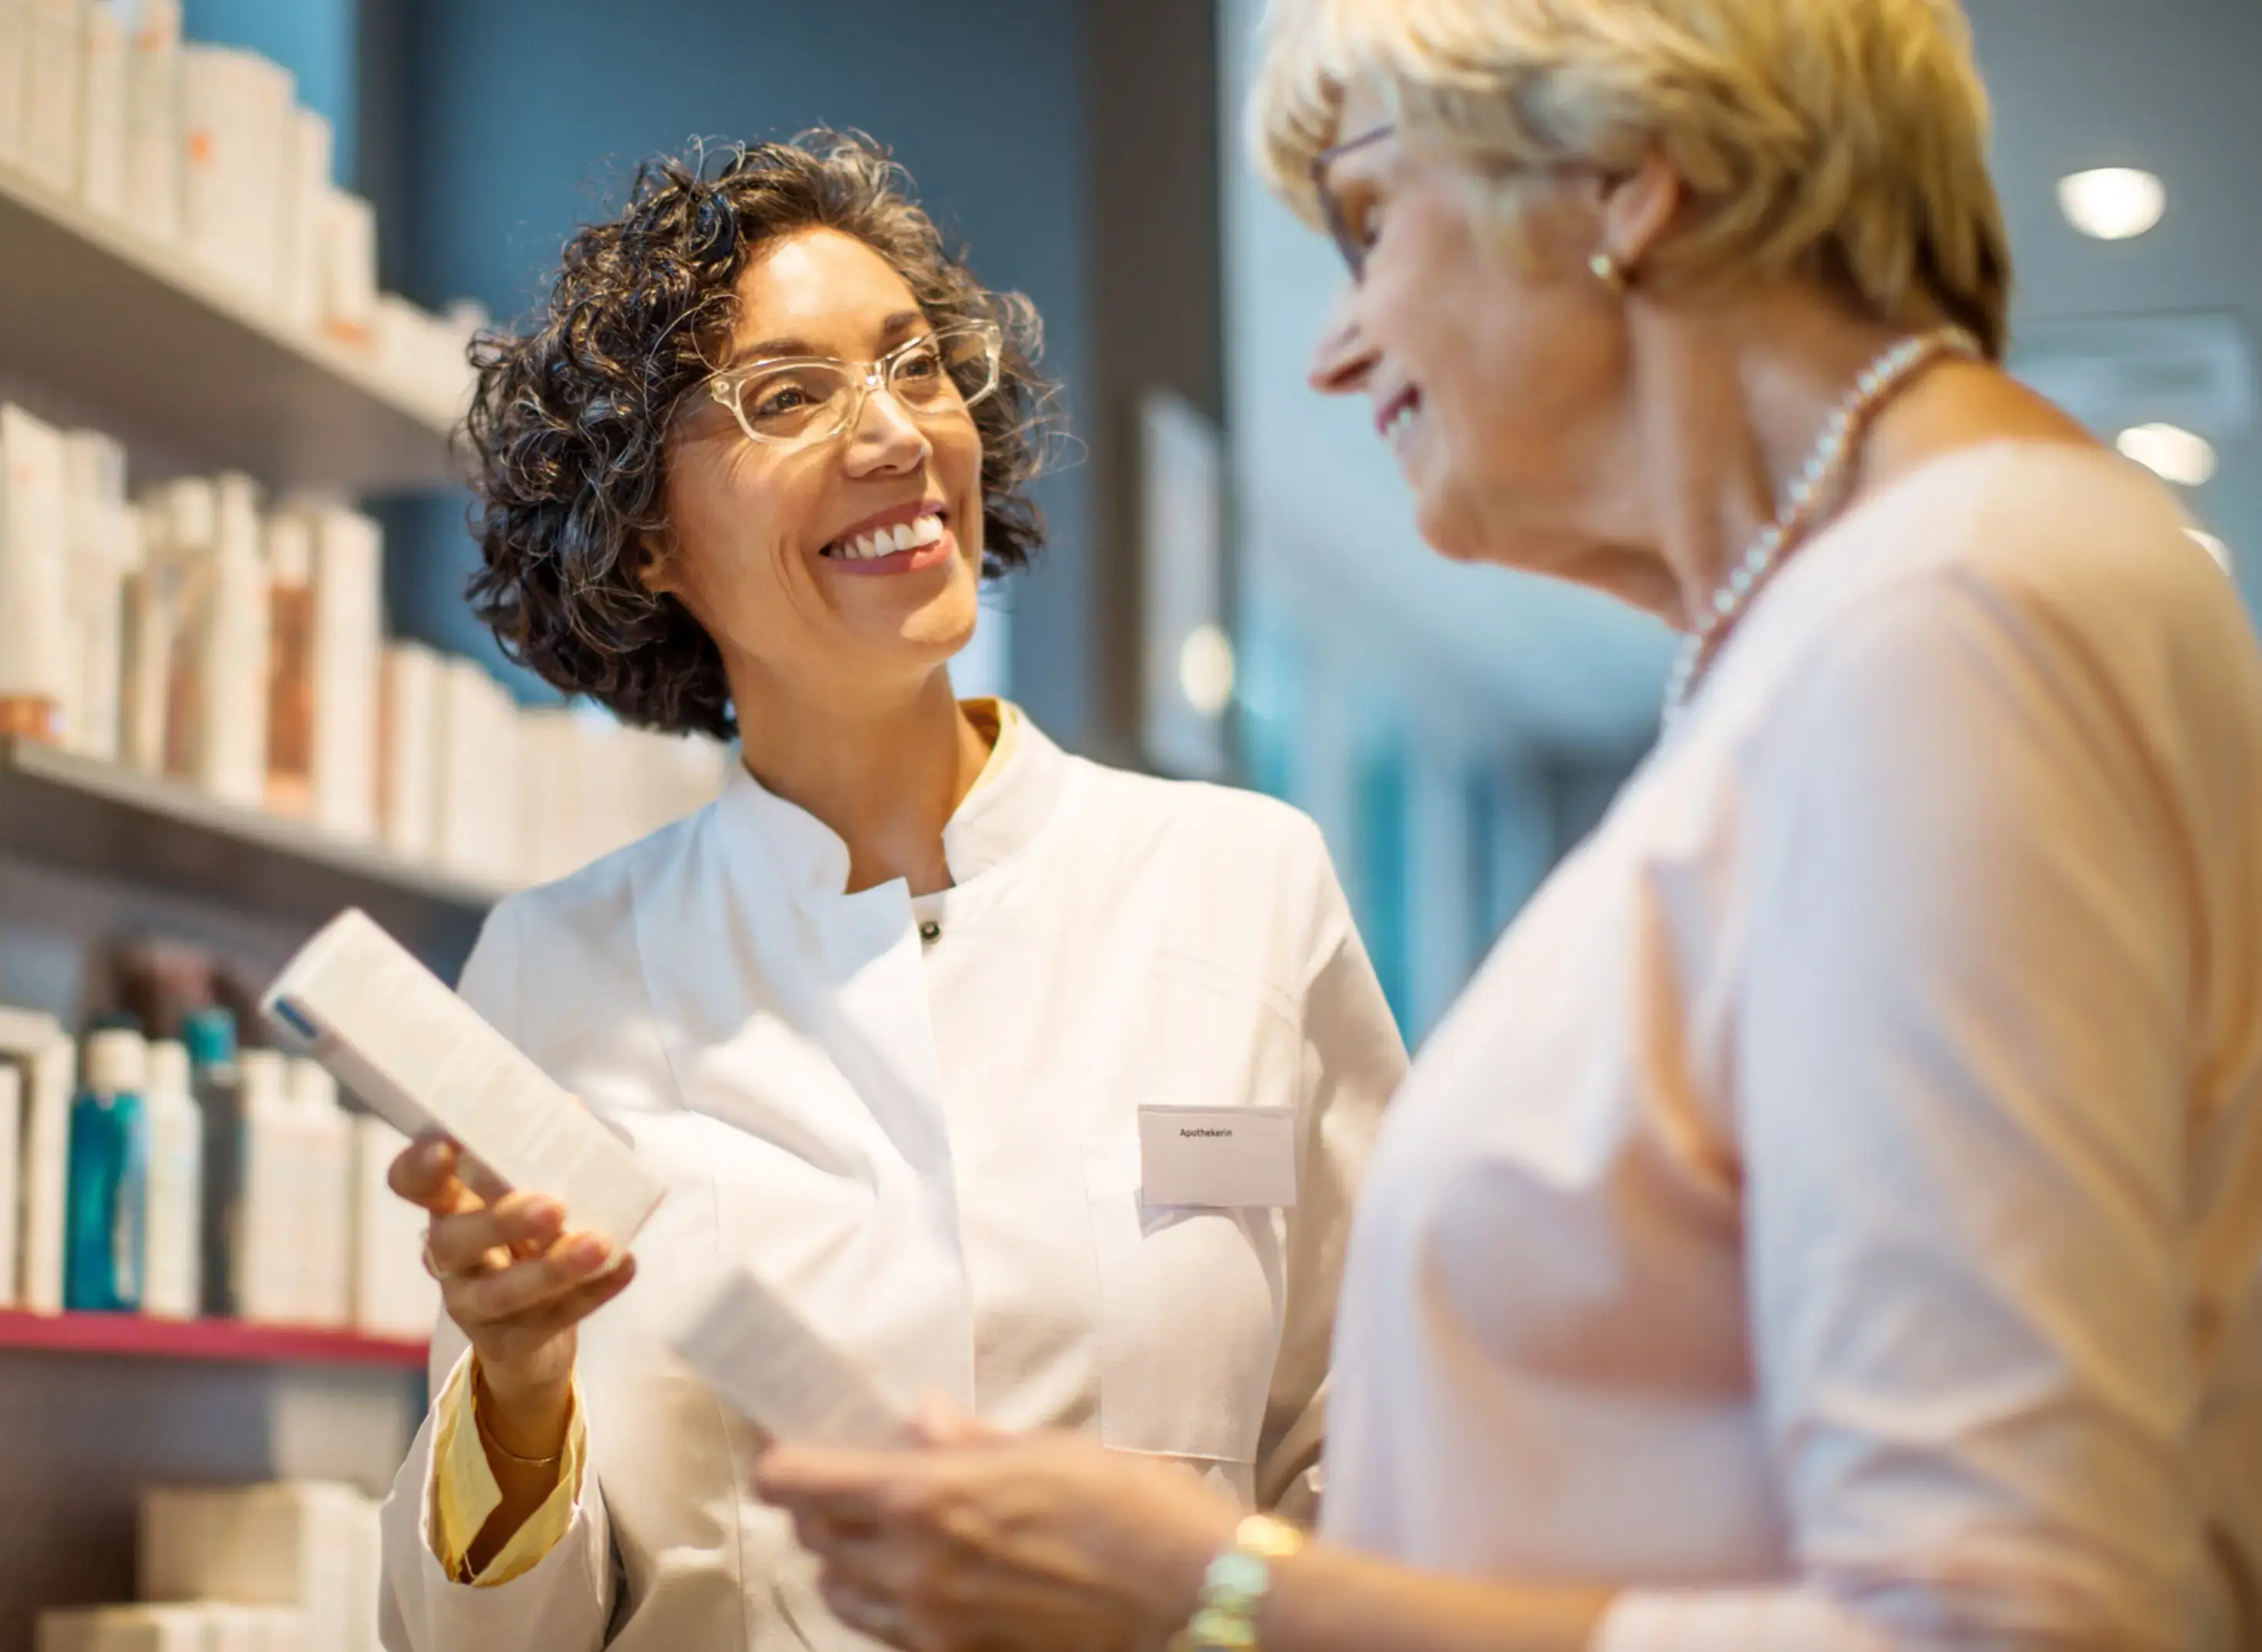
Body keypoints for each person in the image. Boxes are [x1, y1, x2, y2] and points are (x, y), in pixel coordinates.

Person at [755, 3, 2262, 1650]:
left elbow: (2007, 1625)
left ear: (1622, 172)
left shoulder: (1951, 616)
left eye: (1368, 224)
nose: (1334, 348)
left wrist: (1207, 1592)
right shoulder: (1840, 641)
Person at [374, 129, 1408, 1652]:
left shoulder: (1242, 884)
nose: (897, 434)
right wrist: (513, 1402)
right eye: (786, 396)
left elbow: (1372, 1440)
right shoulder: (556, 968)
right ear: (648, 534)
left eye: (918, 365)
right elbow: (482, 1640)